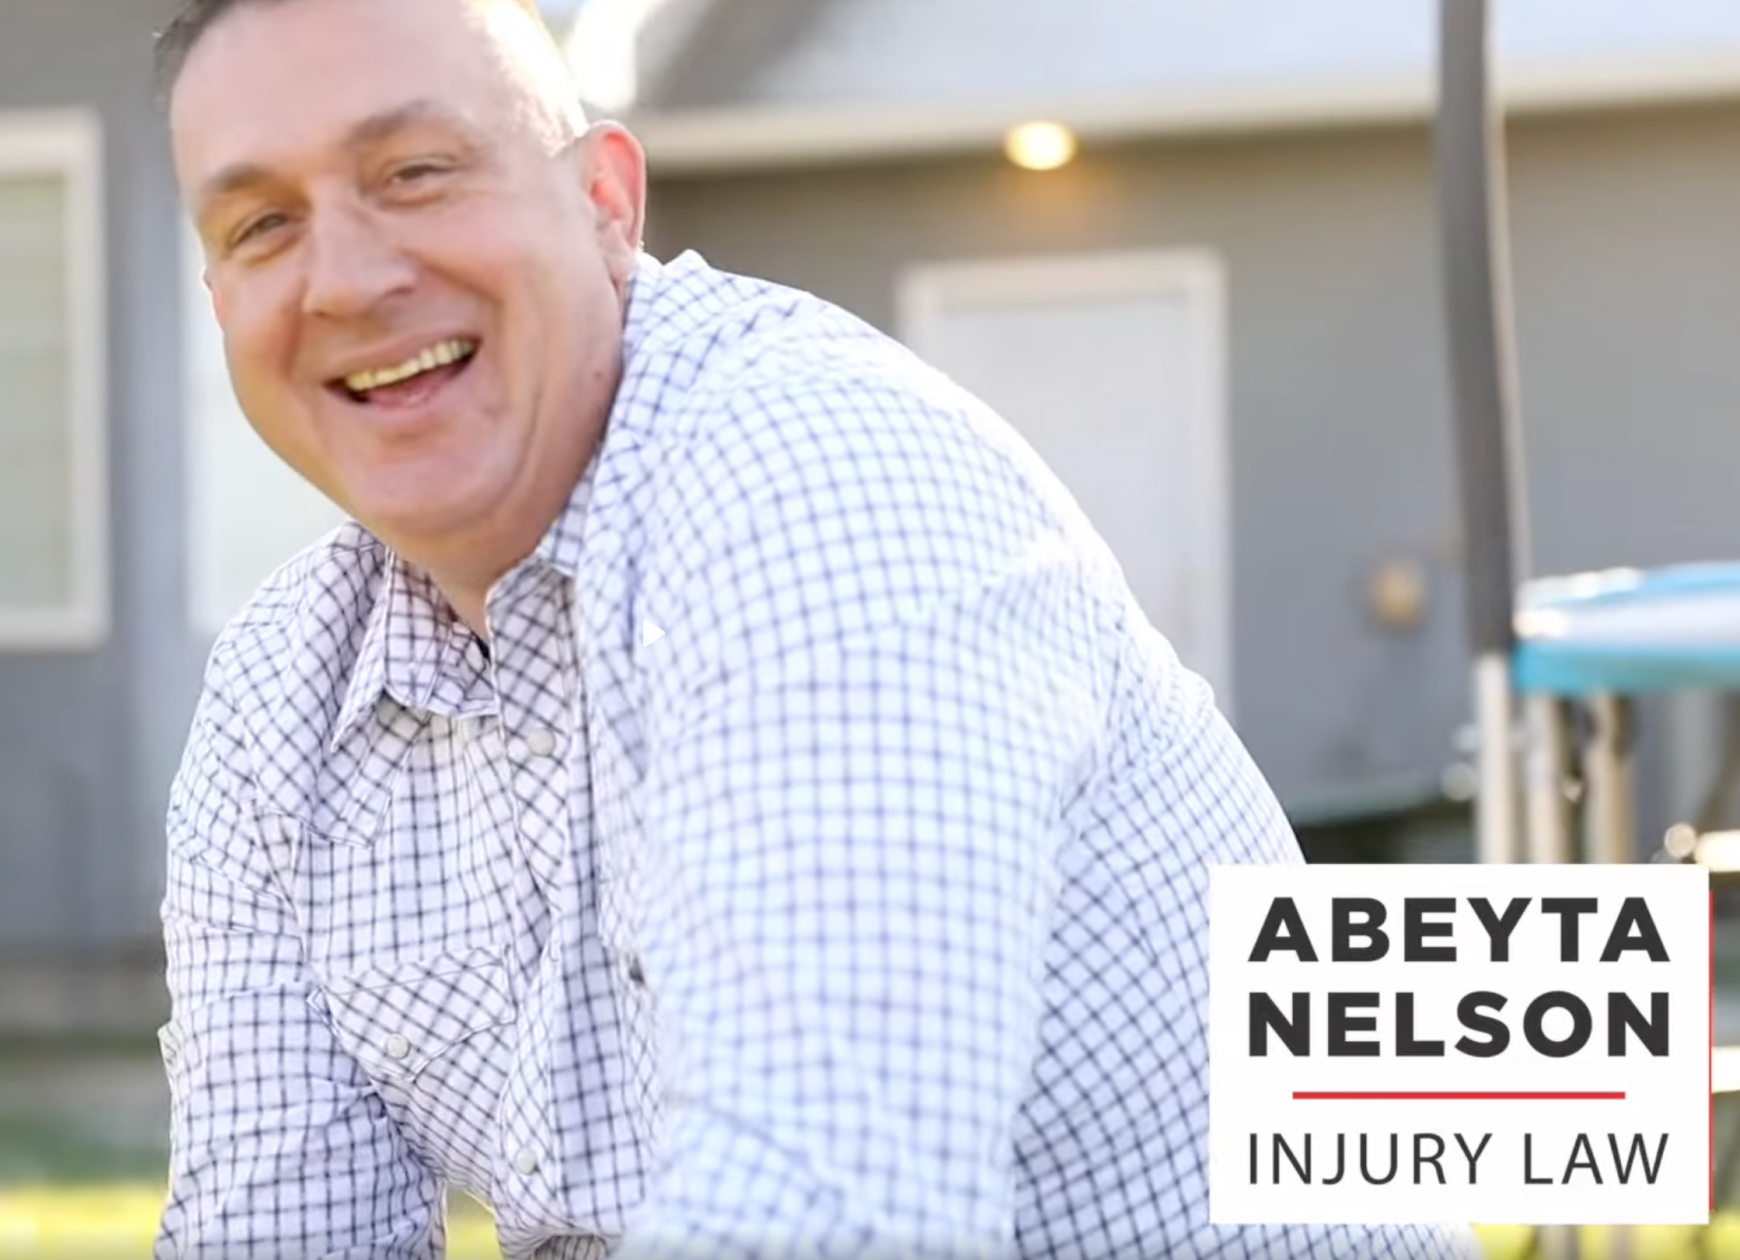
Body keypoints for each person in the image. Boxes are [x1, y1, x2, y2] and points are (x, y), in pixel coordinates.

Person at [153, 0, 1479, 1256]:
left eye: (417, 173)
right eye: (263, 225)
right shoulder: (283, 699)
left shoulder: (813, 480)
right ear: (221, 303)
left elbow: (831, 1208)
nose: (341, 280)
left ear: (605, 204)